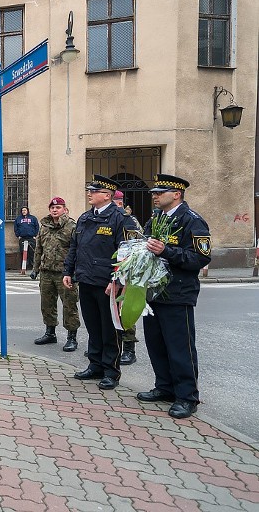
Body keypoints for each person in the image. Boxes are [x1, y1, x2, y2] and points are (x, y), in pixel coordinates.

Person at [137, 175, 211, 419]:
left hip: (178, 293)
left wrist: (167, 251)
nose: (155, 196)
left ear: (177, 194)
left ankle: (187, 396)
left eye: (160, 192)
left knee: (180, 348)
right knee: (156, 344)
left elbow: (200, 259)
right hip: (153, 292)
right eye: (154, 193)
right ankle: (165, 387)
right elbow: (144, 248)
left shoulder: (192, 221)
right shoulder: (156, 218)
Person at [63, 175, 138, 390]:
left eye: (94, 191)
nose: (89, 193)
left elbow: (127, 254)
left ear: (107, 195)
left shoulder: (121, 219)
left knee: (110, 329)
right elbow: (74, 248)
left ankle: (111, 371)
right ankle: (95, 365)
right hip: (86, 279)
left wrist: (116, 280)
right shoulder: (86, 218)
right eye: (89, 190)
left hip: (107, 284)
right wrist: (68, 271)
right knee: (94, 327)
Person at [31, 197, 81, 352]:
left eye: (58, 207)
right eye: (52, 208)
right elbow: (39, 248)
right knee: (47, 305)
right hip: (46, 272)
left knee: (69, 306)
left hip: (64, 274)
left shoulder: (72, 226)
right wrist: (35, 268)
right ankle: (50, 332)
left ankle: (71, 338)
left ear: (65, 209)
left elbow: (78, 251)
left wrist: (74, 272)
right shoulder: (44, 226)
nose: (54, 210)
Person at [111, 190, 143, 364]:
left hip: (124, 271)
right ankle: (112, 347)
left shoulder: (129, 220)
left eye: (118, 201)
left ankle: (129, 348)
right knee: (110, 312)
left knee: (125, 310)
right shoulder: (108, 218)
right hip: (107, 270)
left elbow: (135, 245)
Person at [14, 206, 39, 271]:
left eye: (25, 210)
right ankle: (24, 266)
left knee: (32, 252)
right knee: (23, 252)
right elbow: (15, 227)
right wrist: (18, 235)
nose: (24, 212)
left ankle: (33, 266)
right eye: (22, 210)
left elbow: (37, 226)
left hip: (31, 238)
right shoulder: (18, 219)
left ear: (27, 211)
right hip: (22, 238)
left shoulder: (33, 218)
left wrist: (35, 235)